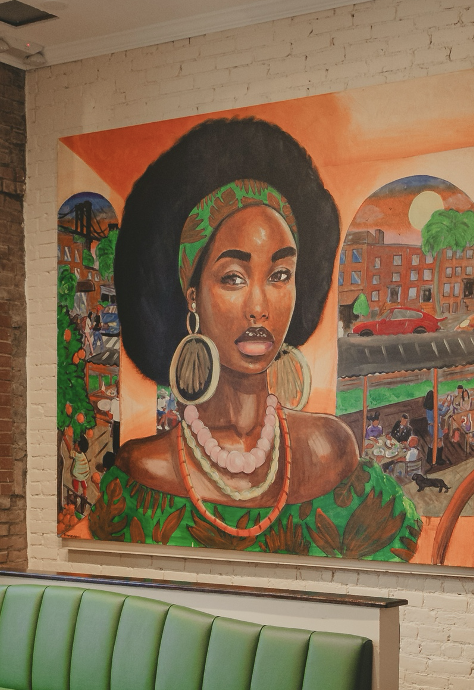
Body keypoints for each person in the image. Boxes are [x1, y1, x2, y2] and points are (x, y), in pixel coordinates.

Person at [90, 118, 421, 560]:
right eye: (233, 277)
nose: (259, 306)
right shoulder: (143, 471)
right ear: (193, 296)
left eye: (280, 274)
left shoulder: (331, 449)